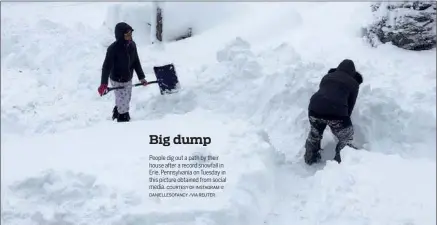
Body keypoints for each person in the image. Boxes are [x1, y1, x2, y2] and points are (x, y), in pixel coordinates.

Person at [304, 59, 363, 165]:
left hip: (314, 108)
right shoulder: (354, 83)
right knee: (346, 137)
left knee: (315, 134)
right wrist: (343, 123)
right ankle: (342, 163)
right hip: (336, 111)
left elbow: (325, 93)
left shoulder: (327, 77)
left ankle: (310, 158)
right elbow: (350, 106)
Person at [97, 22, 148, 122]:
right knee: (123, 101)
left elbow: (136, 62)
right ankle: (123, 118)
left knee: (126, 97)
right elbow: (106, 67)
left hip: (128, 77)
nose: (129, 36)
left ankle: (117, 110)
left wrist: (141, 77)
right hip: (117, 78)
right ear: (120, 35)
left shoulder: (132, 45)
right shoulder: (113, 49)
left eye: (130, 34)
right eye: (127, 35)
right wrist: (103, 83)